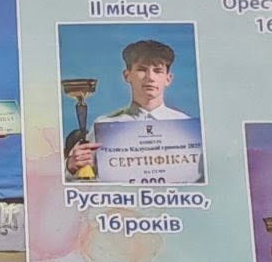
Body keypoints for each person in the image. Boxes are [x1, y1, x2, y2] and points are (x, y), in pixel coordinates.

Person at [66, 40, 191, 180]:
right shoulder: (104, 126)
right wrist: (71, 167)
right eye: (142, 69)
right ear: (127, 76)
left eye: (157, 71)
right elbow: (84, 181)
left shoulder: (186, 127)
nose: (150, 77)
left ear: (168, 78)